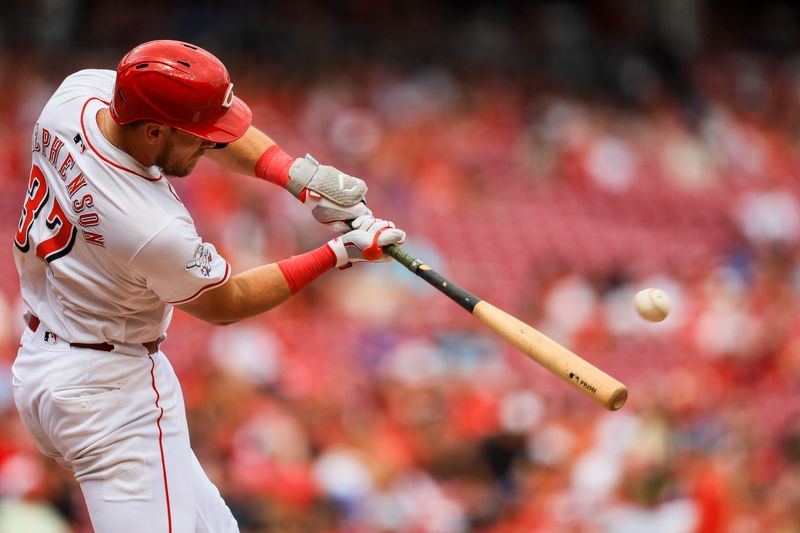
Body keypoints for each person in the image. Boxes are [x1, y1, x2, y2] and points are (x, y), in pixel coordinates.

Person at [10, 40, 406, 533]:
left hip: (47, 356)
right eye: (197, 136)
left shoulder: (75, 98)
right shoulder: (150, 226)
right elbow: (226, 304)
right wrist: (338, 253)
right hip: (109, 395)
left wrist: (301, 178)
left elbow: (207, 128)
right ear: (153, 131)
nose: (210, 144)